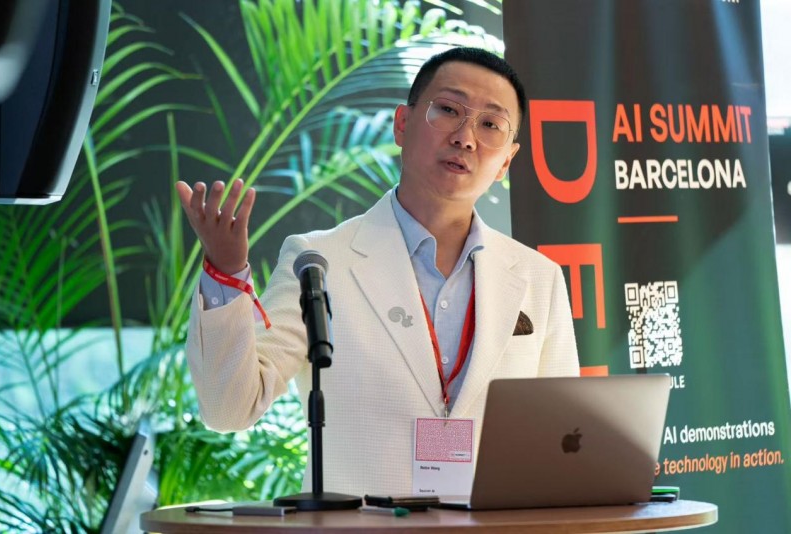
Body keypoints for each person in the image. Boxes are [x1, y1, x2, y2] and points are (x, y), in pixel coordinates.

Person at [176, 47, 579, 497]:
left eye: (490, 125)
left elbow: (562, 440)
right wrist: (226, 273)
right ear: (402, 124)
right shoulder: (318, 261)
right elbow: (229, 410)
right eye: (448, 110)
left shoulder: (539, 278)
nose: (466, 138)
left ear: (506, 160)